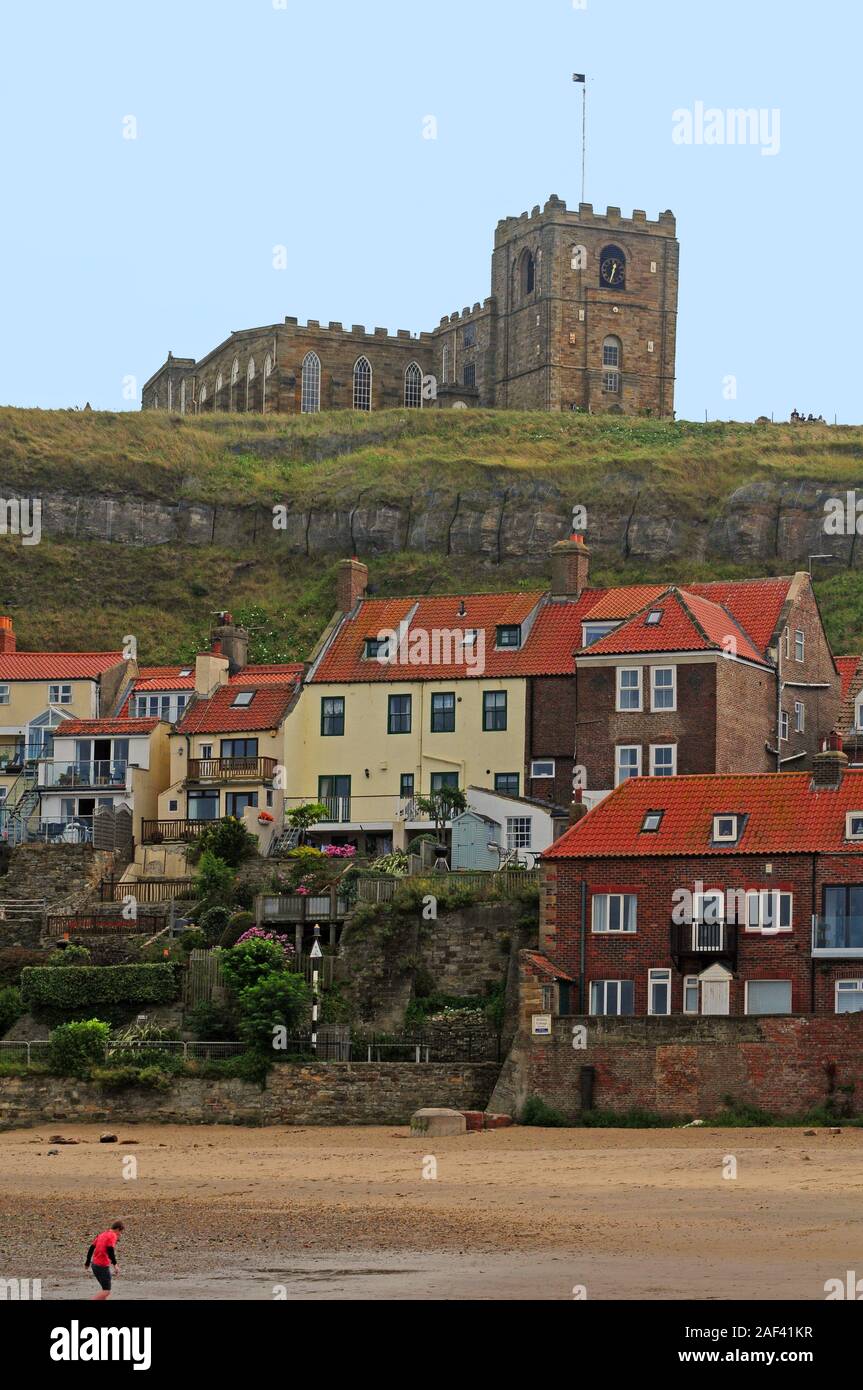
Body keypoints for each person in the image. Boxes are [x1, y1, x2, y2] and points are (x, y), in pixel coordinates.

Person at [85, 1221, 124, 1300]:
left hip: (94, 1265)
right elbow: (110, 1250)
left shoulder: (102, 1234)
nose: (120, 1234)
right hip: (102, 1266)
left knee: (104, 1290)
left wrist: (87, 1262)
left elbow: (91, 1248)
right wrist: (115, 1265)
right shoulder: (113, 1235)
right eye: (121, 1231)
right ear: (118, 1229)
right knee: (106, 1291)